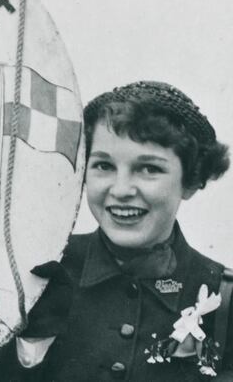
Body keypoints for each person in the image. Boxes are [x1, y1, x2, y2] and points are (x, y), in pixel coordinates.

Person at [17, 81, 232, 380]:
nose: (121, 190)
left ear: (192, 180)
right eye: (103, 165)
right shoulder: (35, 278)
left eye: (149, 169)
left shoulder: (224, 298)